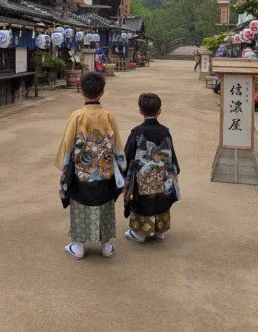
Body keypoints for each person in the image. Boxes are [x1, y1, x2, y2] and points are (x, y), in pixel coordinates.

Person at [54, 72, 126, 260]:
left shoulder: (76, 116)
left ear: (81, 92)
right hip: (105, 171)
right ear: (102, 93)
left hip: (82, 173)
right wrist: (121, 165)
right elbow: (117, 144)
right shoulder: (108, 116)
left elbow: (68, 143)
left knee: (80, 206)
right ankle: (106, 246)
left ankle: (78, 246)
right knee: (105, 205)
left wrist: (64, 167)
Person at [123, 93, 180, 244]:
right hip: (163, 176)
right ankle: (159, 232)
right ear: (159, 111)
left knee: (143, 200)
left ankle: (140, 234)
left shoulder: (137, 132)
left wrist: (124, 172)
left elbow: (127, 155)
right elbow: (171, 155)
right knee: (162, 198)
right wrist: (174, 171)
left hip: (144, 177)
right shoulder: (165, 131)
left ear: (140, 111)